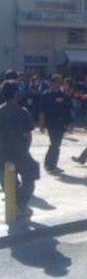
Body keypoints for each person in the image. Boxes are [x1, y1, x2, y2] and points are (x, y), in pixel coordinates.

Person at [0, 80, 40, 219]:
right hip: (20, 152)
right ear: (16, 94)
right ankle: (21, 205)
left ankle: (15, 206)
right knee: (31, 173)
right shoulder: (22, 112)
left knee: (7, 182)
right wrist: (25, 150)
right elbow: (29, 136)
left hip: (2, 155)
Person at [39, 74, 72, 173]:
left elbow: (67, 110)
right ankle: (49, 164)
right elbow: (42, 110)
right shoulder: (46, 95)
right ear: (52, 83)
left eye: (60, 82)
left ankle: (53, 164)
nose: (59, 84)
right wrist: (42, 124)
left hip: (61, 123)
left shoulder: (63, 95)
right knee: (55, 143)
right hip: (51, 122)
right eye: (57, 82)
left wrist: (69, 123)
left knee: (57, 144)